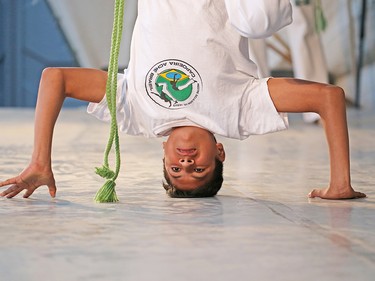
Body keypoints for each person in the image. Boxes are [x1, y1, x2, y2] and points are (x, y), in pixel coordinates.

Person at [0, 0, 366, 200]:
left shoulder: (138, 113)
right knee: (259, 20)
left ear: (164, 155)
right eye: (199, 169)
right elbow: (328, 97)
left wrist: (40, 161)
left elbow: (55, 78)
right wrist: (340, 183)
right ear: (219, 153)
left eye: (176, 170)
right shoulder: (238, 113)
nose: (186, 162)